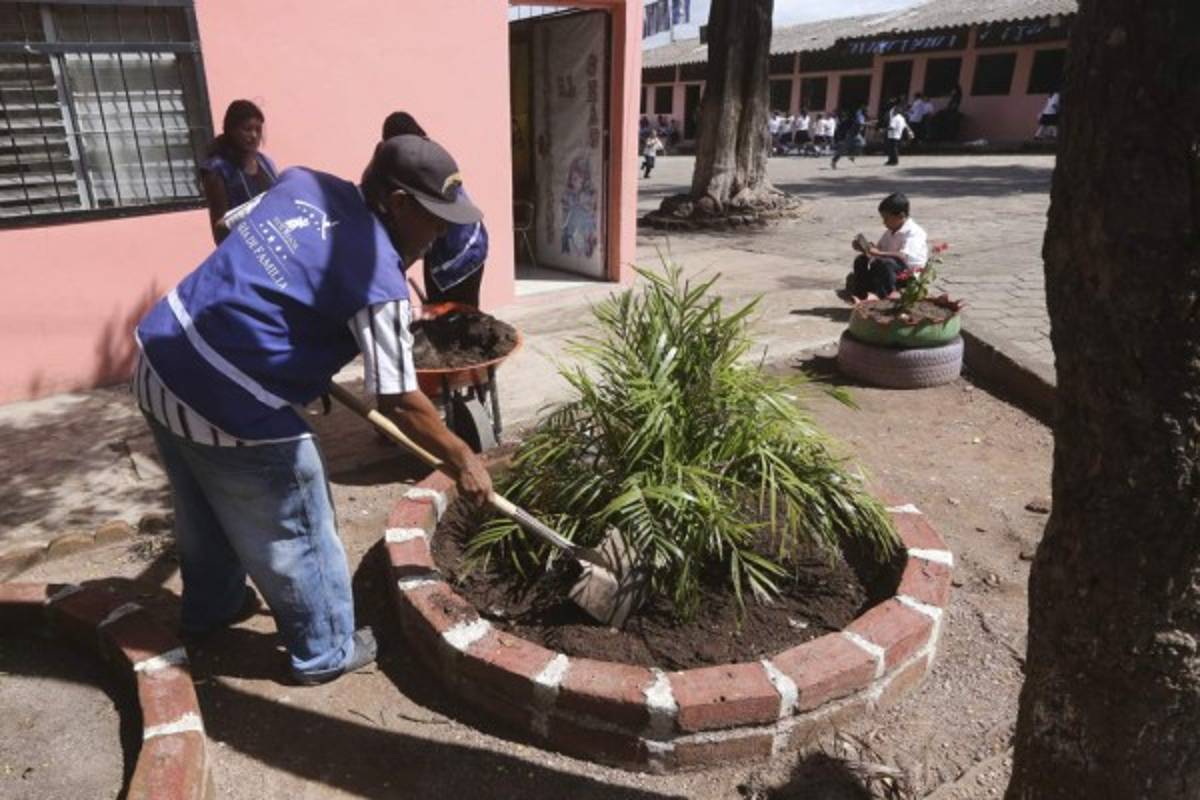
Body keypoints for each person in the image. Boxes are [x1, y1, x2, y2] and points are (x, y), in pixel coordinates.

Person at [134, 134, 493, 686]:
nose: (441, 232)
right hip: (223, 394)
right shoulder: (380, 281)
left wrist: (297, 345)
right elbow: (398, 398)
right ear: (398, 204)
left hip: (160, 356)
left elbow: (239, 235)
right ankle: (325, 648)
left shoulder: (302, 182)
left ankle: (213, 607)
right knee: (299, 503)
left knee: (203, 503)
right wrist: (460, 454)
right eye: (434, 218)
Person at [380, 112, 488, 306]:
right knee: (442, 314)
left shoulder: (422, 163)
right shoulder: (415, 156)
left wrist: (393, 273)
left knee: (457, 315)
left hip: (463, 245)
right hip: (458, 241)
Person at [200, 100, 279, 244]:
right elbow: (220, 228)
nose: (254, 135)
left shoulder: (266, 163)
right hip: (243, 247)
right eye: (247, 129)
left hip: (271, 244)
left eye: (258, 130)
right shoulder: (218, 169)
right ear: (231, 130)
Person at [843, 192, 928, 301]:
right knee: (861, 260)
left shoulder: (914, 232)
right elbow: (878, 251)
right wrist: (865, 248)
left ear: (901, 216)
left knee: (886, 262)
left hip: (907, 276)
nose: (884, 222)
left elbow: (903, 256)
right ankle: (861, 296)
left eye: (887, 218)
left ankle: (887, 300)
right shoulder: (890, 232)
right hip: (888, 273)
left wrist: (879, 253)